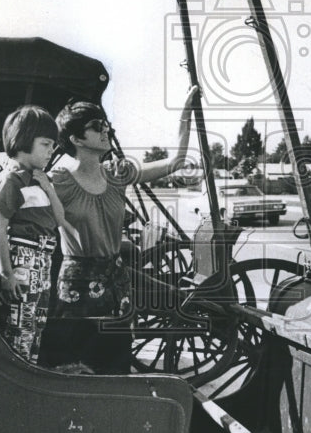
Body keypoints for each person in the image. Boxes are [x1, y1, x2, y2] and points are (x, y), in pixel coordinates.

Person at [38, 86, 199, 374]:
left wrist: (186, 111)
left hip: (116, 292)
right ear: (76, 139)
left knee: (116, 377)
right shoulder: (58, 182)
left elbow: (175, 161)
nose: (106, 131)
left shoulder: (117, 174)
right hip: (77, 297)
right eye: (97, 126)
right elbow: (9, 214)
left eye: (106, 124)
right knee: (75, 378)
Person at [0, 105, 75, 363]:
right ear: (23, 141)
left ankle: (28, 371)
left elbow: (59, 218)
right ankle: (16, 379)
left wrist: (48, 187)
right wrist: (5, 271)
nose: (51, 150)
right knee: (20, 326)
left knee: (35, 324)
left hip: (42, 258)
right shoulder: (11, 180)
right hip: (23, 257)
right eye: (45, 144)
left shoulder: (38, 180)